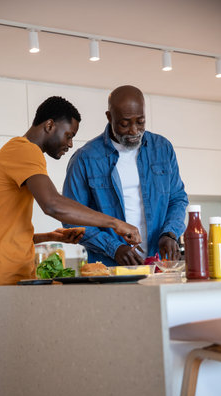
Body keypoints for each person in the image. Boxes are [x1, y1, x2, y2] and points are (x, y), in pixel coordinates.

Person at [0, 96, 141, 314]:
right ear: (49, 125)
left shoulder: (18, 153)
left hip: (4, 274)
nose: (70, 144)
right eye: (69, 135)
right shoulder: (24, 150)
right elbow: (52, 204)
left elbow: (1, 230)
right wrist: (115, 223)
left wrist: (50, 237)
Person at [62, 85, 188, 267]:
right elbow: (71, 218)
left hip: (159, 264)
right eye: (124, 123)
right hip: (109, 267)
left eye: (141, 121)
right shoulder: (85, 158)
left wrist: (170, 233)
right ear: (109, 117)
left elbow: (178, 199)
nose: (134, 130)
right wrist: (113, 248)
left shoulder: (162, 148)